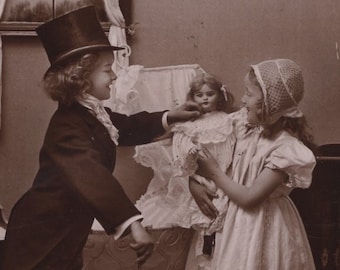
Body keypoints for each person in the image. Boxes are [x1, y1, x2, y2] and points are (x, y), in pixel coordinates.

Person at [1, 6, 201, 270]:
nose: (115, 76)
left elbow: (127, 126)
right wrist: (134, 224)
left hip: (63, 230)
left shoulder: (90, 113)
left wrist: (170, 116)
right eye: (108, 70)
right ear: (82, 78)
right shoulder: (67, 128)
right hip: (40, 234)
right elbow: (94, 177)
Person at [186, 59, 317, 269]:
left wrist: (214, 173)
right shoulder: (242, 125)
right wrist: (194, 182)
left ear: (267, 104)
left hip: (263, 226)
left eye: (249, 93)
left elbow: (249, 199)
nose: (244, 99)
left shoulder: (285, 149)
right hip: (229, 222)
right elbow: (207, 153)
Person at [135, 73, 235, 263]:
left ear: (220, 96)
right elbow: (180, 150)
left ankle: (214, 251)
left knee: (219, 213)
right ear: (192, 97)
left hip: (223, 173)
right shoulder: (188, 124)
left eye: (210, 94)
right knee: (203, 214)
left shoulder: (228, 121)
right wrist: (191, 156)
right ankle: (204, 251)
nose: (205, 98)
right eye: (199, 94)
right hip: (198, 175)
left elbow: (231, 148)